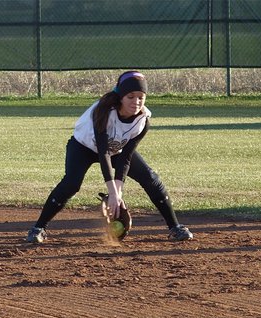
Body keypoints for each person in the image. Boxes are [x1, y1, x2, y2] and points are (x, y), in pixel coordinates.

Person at [27, 71, 193, 243]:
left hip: (117, 151)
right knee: (71, 183)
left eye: (140, 97)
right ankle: (38, 228)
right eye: (130, 97)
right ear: (121, 96)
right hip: (82, 147)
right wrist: (112, 193)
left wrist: (117, 193)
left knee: (150, 178)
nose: (136, 102)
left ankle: (175, 227)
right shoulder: (105, 111)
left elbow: (126, 157)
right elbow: (103, 152)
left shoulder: (142, 121)